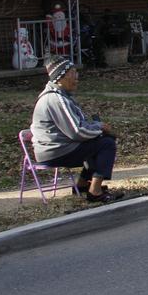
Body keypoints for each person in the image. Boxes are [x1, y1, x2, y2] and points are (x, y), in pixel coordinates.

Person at [30, 57, 123, 203]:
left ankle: (82, 185)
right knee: (106, 144)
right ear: (61, 76)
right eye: (73, 73)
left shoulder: (62, 96)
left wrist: (97, 128)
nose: (77, 78)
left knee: (98, 140)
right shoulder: (55, 99)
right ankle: (95, 191)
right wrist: (100, 130)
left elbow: (81, 124)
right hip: (55, 151)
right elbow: (76, 132)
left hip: (58, 147)